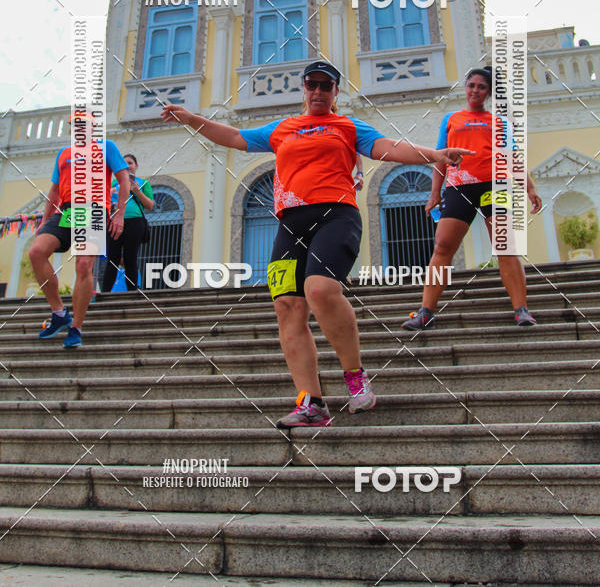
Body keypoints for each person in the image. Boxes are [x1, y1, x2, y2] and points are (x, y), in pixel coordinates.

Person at [161, 60, 473, 427]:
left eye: (327, 86)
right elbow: (234, 137)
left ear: (336, 92)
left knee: (320, 290)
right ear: (304, 88)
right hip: (289, 223)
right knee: (288, 307)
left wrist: (434, 155)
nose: (319, 91)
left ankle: (355, 380)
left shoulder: (348, 126)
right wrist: (191, 118)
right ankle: (311, 402)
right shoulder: (283, 128)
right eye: (313, 84)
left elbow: (387, 147)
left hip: (336, 216)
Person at [402, 66, 542, 331]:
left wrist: (529, 188)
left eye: (481, 87)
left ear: (488, 92)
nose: (475, 90)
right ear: (465, 88)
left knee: (506, 248)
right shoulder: (451, 119)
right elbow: (441, 158)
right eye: (471, 85)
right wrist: (434, 194)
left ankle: (521, 310)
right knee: (442, 248)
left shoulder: (500, 123)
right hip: (459, 187)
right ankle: (425, 312)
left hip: (494, 186)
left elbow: (512, 158)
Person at [30, 115, 129, 348]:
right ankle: (59, 313)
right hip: (66, 212)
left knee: (84, 265)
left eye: (85, 124)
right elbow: (54, 192)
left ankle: (76, 327)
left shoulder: (106, 147)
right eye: (76, 125)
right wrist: (44, 221)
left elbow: (123, 180)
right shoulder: (64, 153)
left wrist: (120, 214)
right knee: (36, 252)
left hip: (93, 211)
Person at [101, 153, 154, 293]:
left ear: (136, 165)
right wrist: (110, 192)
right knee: (113, 258)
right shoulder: (113, 183)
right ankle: (105, 292)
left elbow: (150, 205)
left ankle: (132, 292)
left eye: (130, 163)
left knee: (131, 258)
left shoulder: (143, 183)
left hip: (135, 223)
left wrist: (136, 190)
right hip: (114, 221)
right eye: (124, 163)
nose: (128, 166)